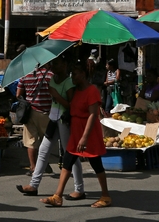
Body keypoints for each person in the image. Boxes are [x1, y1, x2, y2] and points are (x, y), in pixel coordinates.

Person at [41, 61, 111, 208]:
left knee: (96, 163)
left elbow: (93, 115)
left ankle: (105, 196)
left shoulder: (92, 90)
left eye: (75, 74)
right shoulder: (76, 91)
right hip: (76, 131)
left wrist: (84, 137)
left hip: (89, 133)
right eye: (72, 74)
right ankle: (57, 196)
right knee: (67, 162)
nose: (72, 77)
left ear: (83, 74)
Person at [17, 56, 85, 199]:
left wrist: (56, 95)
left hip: (64, 121)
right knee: (43, 150)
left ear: (64, 65)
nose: (54, 66)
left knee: (70, 155)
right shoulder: (53, 79)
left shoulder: (68, 82)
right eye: (53, 64)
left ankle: (79, 189)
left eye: (57, 64)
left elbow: (71, 105)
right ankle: (33, 185)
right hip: (53, 119)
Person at [16, 62, 54, 175]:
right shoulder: (51, 75)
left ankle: (33, 167)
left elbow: (18, 94)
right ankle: (44, 163)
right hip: (46, 113)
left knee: (31, 141)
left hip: (30, 113)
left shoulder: (25, 75)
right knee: (45, 141)